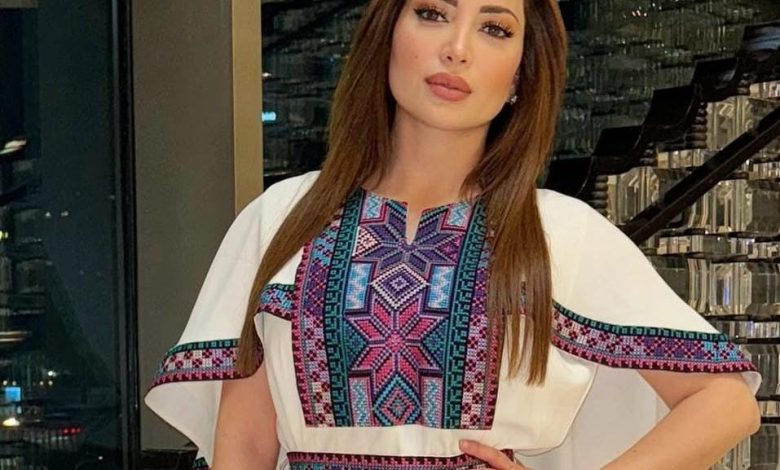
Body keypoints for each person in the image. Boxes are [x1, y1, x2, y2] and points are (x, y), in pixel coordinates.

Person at [145, 1, 762, 469]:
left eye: (495, 28)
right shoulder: (283, 216)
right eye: (433, 14)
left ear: (520, 75)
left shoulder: (558, 232)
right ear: (388, 34)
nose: (457, 49)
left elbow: (725, 402)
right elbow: (246, 444)